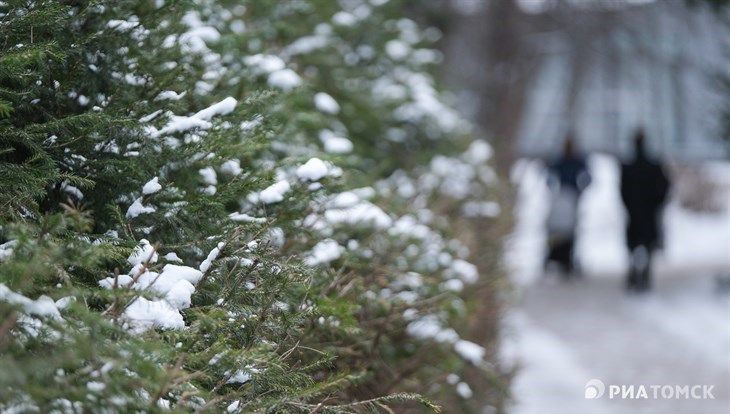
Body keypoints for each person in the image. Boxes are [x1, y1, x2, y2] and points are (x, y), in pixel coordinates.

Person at [620, 130, 670, 292]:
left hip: (636, 212)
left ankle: (635, 273)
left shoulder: (629, 166)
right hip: (648, 212)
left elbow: (622, 190)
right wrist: (657, 204)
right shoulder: (652, 166)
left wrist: (629, 205)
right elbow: (665, 187)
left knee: (634, 244)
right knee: (647, 245)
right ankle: (643, 274)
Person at [544, 135, 591, 276]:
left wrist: (580, 189)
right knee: (558, 230)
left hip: (572, 197)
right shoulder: (560, 160)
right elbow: (549, 174)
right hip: (562, 197)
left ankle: (567, 259)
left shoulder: (577, 161)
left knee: (570, 231)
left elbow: (587, 176)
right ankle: (555, 257)